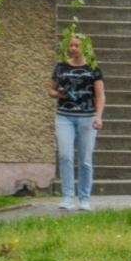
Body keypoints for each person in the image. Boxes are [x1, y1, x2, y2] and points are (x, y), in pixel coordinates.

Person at [49, 31, 105, 210]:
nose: (73, 48)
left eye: (76, 45)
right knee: (65, 155)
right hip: (64, 115)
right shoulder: (61, 67)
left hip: (87, 118)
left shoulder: (93, 69)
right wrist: (60, 93)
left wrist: (98, 116)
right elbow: (51, 90)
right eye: (71, 45)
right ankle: (67, 197)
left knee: (85, 159)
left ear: (84, 48)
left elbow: (100, 95)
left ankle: (84, 198)